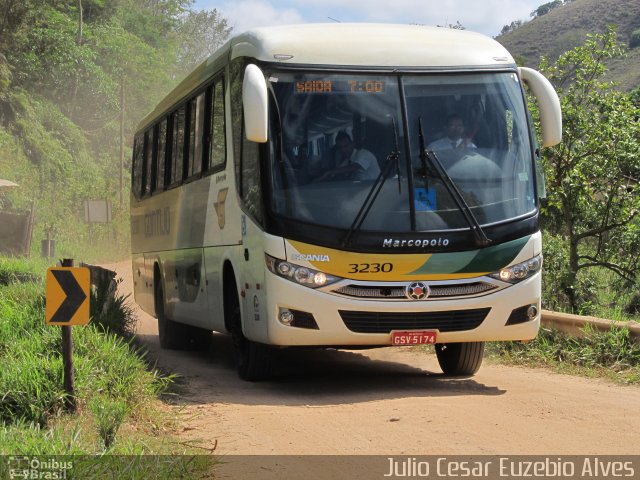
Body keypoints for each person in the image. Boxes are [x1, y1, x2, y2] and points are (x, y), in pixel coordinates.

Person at [316, 131, 380, 181]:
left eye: (346, 146)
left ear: (352, 144)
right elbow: (336, 173)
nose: (343, 150)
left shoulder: (364, 154)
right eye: (340, 147)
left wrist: (330, 172)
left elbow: (354, 167)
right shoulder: (347, 162)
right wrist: (317, 181)